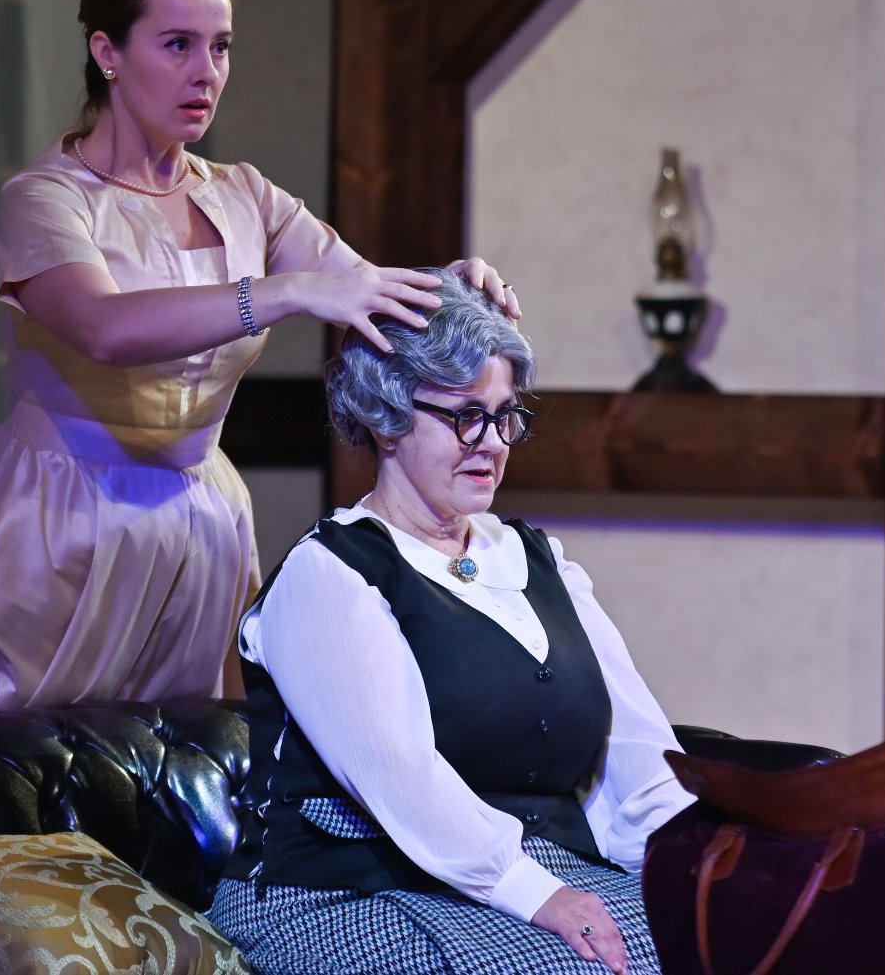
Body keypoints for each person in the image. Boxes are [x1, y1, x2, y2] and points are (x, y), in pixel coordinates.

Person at [0, 0, 516, 718]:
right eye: (177, 45)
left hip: (198, 526)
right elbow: (103, 328)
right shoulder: (46, 200)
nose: (206, 72)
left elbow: (368, 296)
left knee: (174, 766)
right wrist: (279, 291)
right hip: (58, 518)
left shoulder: (245, 196)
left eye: (220, 47)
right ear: (107, 52)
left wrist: (451, 289)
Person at [208, 269, 691, 975]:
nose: (491, 442)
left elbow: (638, 749)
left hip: (529, 872)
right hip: (344, 890)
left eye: (505, 415)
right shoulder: (330, 573)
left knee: (722, 936)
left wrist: (699, 862)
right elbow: (399, 777)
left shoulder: (539, 561)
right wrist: (538, 894)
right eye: (465, 415)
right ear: (386, 416)